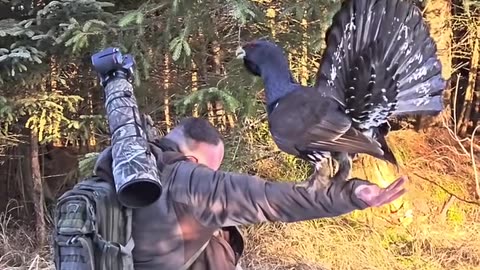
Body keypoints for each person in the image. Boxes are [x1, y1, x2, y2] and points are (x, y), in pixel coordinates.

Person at [93, 117, 406, 270]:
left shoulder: (123, 170)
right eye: (209, 170)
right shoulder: (188, 182)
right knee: (219, 238)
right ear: (192, 161)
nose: (210, 177)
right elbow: (272, 199)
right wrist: (353, 194)